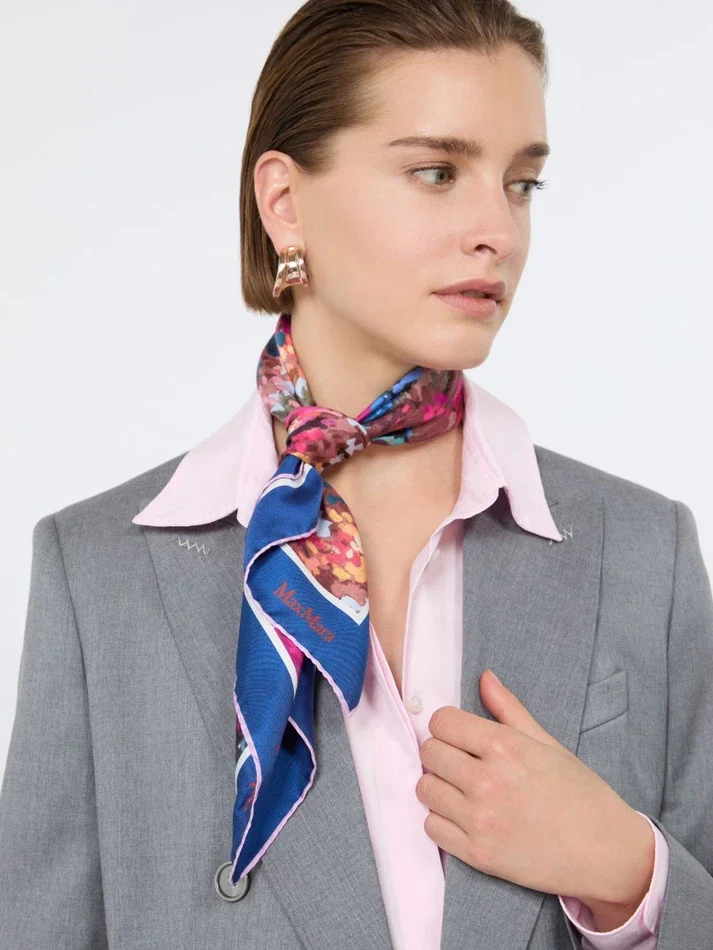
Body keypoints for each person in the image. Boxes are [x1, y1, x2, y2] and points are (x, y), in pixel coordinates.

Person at [1, 1, 712, 948]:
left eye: (521, 183)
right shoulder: (99, 574)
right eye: (436, 172)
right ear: (283, 201)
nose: (497, 231)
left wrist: (628, 872)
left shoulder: (642, 551)